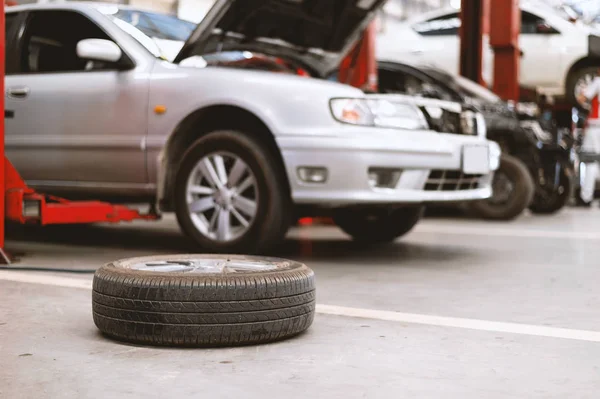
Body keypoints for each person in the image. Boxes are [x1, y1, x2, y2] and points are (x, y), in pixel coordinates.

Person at [577, 69, 600, 205]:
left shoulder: (598, 82)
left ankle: (586, 197)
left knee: (591, 161)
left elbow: (581, 98)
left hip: (596, 127)